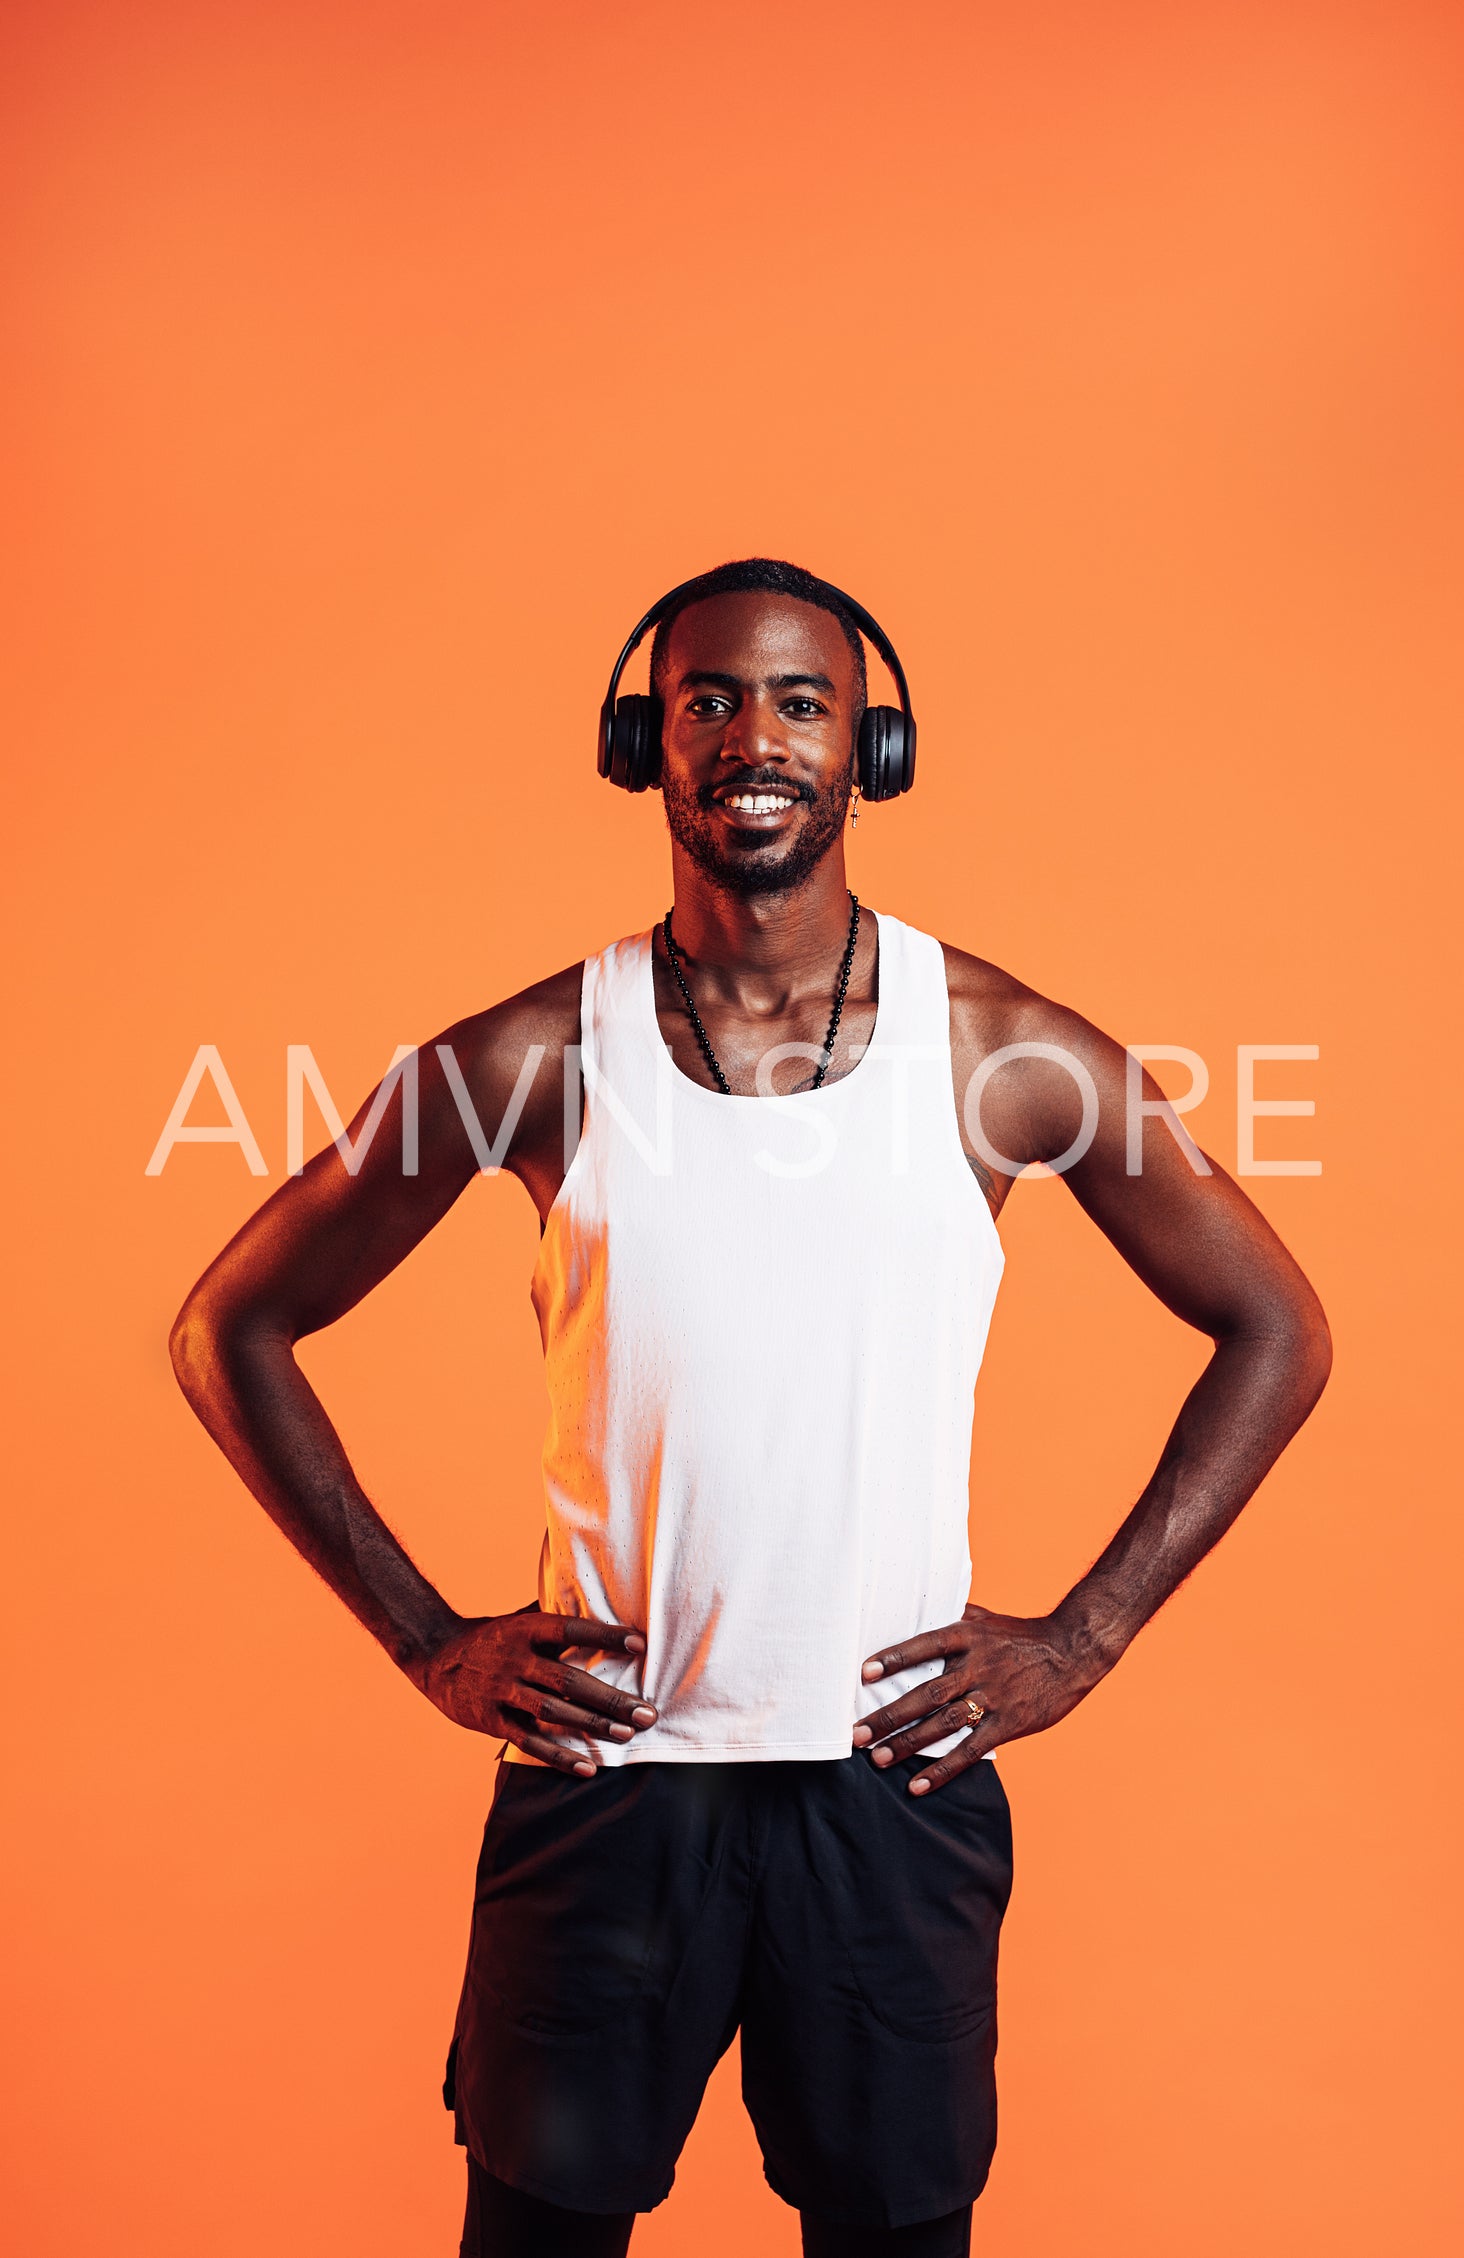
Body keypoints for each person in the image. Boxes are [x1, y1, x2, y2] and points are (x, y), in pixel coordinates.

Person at [170, 558, 1331, 2258]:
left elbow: (1275, 1328)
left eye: (801, 700)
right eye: (707, 698)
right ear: (645, 742)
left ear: (875, 746)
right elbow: (234, 1323)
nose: (754, 736)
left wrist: (1083, 1637)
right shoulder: (536, 1055)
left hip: (891, 1787)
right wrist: (426, 1636)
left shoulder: (998, 1048)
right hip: (610, 1778)